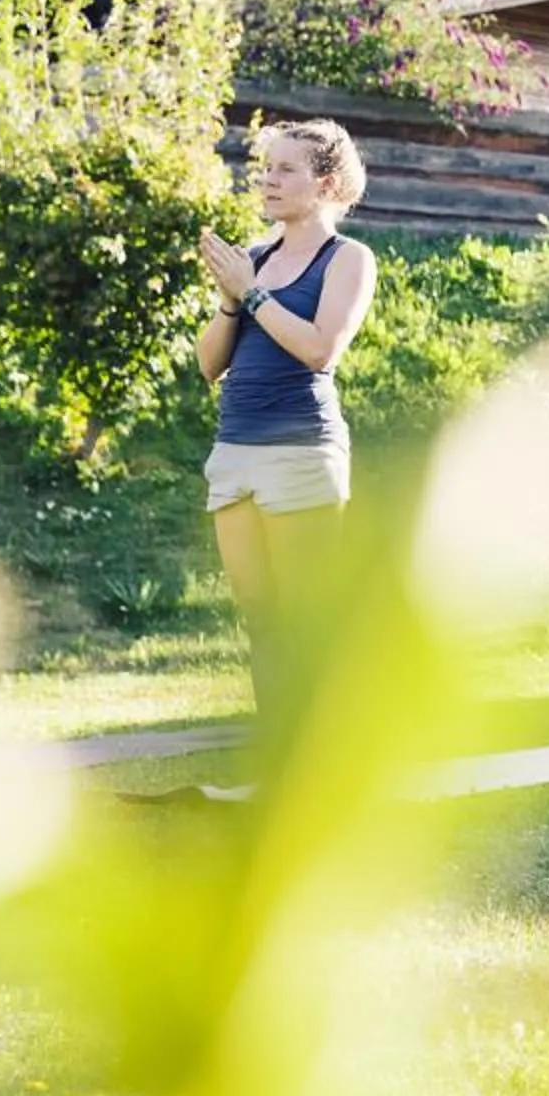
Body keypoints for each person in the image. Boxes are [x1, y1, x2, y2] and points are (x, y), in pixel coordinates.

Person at [196, 120, 377, 718]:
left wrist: (251, 295)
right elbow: (208, 366)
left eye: (286, 169)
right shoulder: (252, 257)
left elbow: (321, 348)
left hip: (301, 452)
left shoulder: (348, 258)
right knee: (261, 619)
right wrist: (230, 299)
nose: (268, 179)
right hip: (235, 450)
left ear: (325, 183)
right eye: (266, 167)